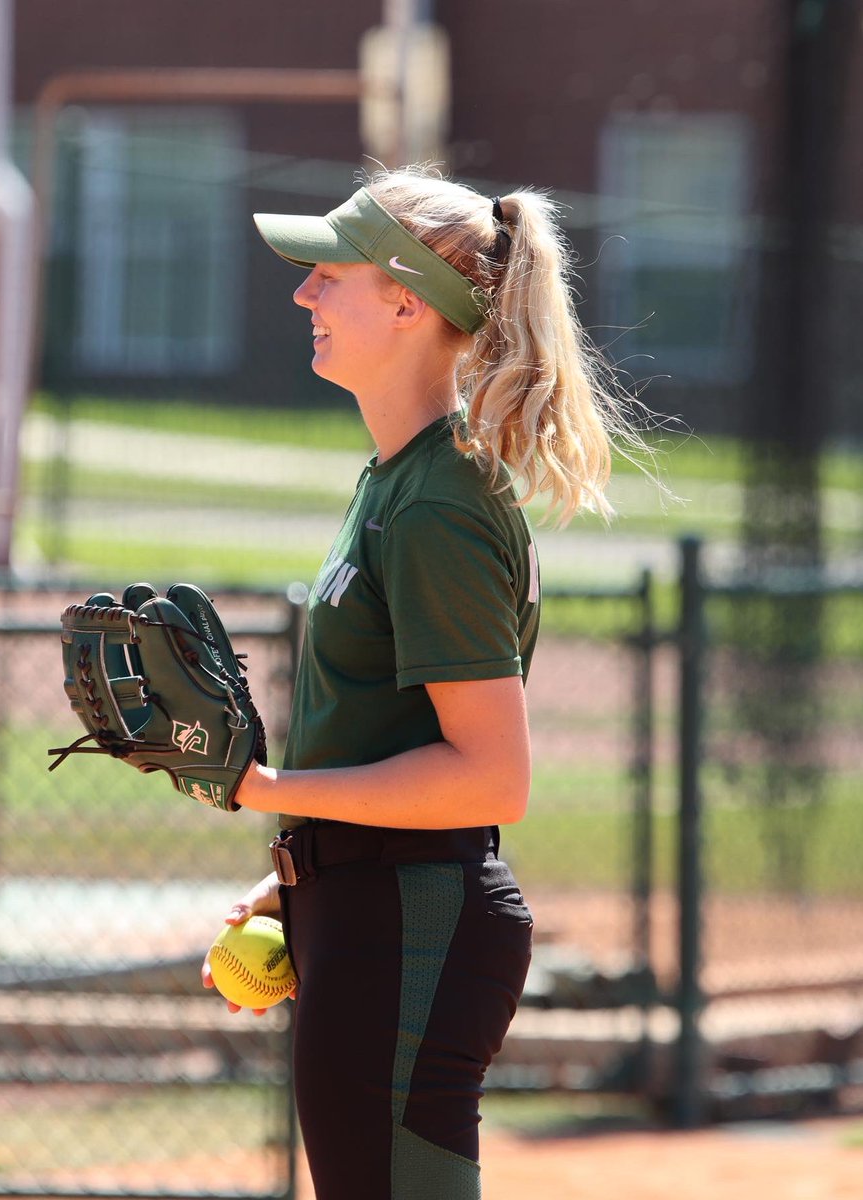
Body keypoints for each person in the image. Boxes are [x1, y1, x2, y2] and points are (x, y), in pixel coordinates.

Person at [200, 166, 642, 1200]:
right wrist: (301, 872)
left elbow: (490, 778)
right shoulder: (402, 480)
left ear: (407, 300)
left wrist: (269, 790)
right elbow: (389, 732)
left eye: (331, 273)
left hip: (414, 924)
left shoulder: (438, 498)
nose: (306, 292)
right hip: (375, 911)